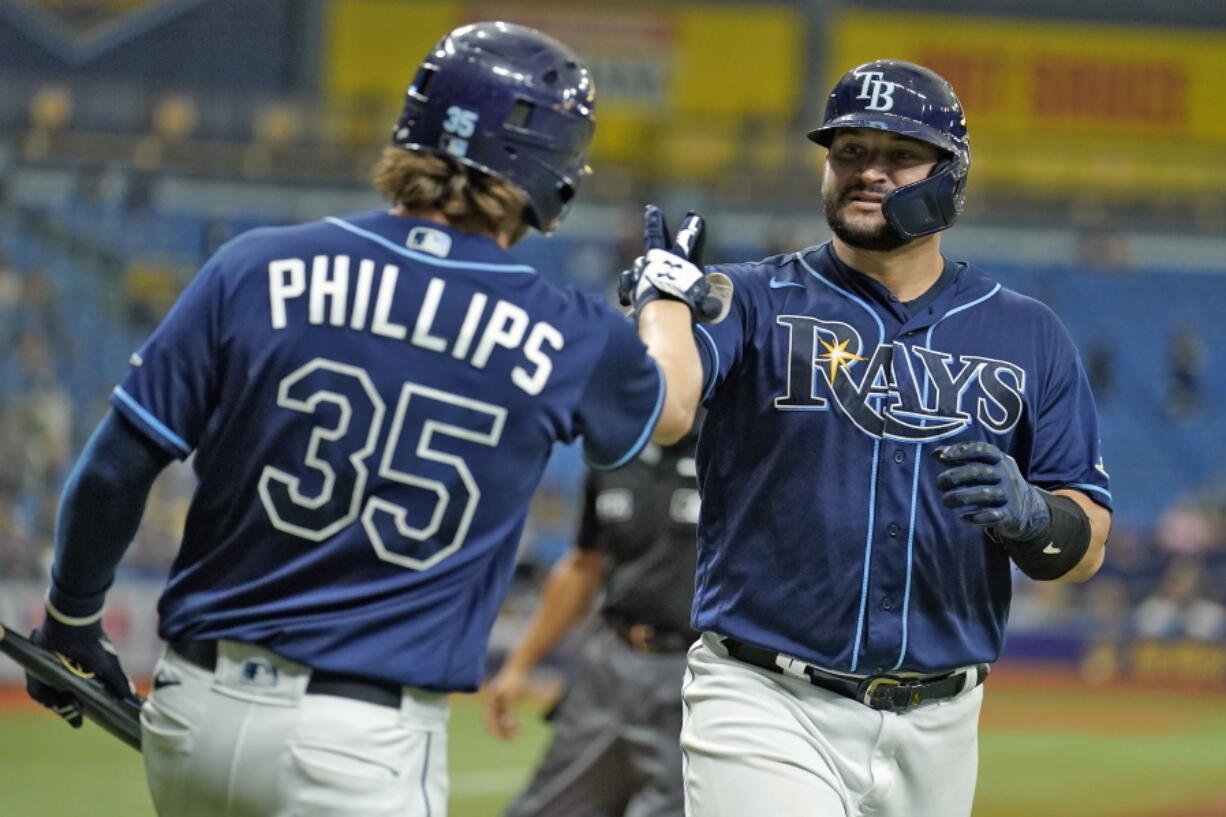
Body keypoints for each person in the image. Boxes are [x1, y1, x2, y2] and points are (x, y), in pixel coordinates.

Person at [22, 22, 700, 817]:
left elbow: (112, 470)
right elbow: (674, 405)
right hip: (360, 737)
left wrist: (68, 621)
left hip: (193, 711)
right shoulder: (566, 329)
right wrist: (666, 294)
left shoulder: (254, 264)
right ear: (548, 170)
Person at [620, 60, 1113, 817]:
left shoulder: (1028, 332)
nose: (868, 171)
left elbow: (1087, 546)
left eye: (897, 154)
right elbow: (666, 407)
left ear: (950, 176)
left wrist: (1037, 517)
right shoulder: (749, 299)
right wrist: (662, 306)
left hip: (943, 722)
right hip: (765, 695)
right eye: (849, 151)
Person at [483, 428, 700, 817]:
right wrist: (519, 665)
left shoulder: (731, 444)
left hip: (694, 672)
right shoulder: (615, 450)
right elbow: (584, 565)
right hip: (609, 661)